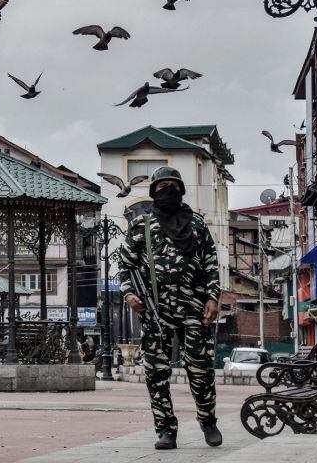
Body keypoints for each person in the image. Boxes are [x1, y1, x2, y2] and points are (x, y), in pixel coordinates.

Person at [118, 166, 222, 451]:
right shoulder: (141, 226)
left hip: (194, 309)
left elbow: (212, 265)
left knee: (201, 370)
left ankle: (208, 421)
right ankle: (165, 429)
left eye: (173, 186)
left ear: (181, 191)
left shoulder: (197, 225)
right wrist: (129, 295)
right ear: (153, 193)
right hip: (155, 312)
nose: (168, 191)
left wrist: (213, 298)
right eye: (162, 187)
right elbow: (125, 267)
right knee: (156, 373)